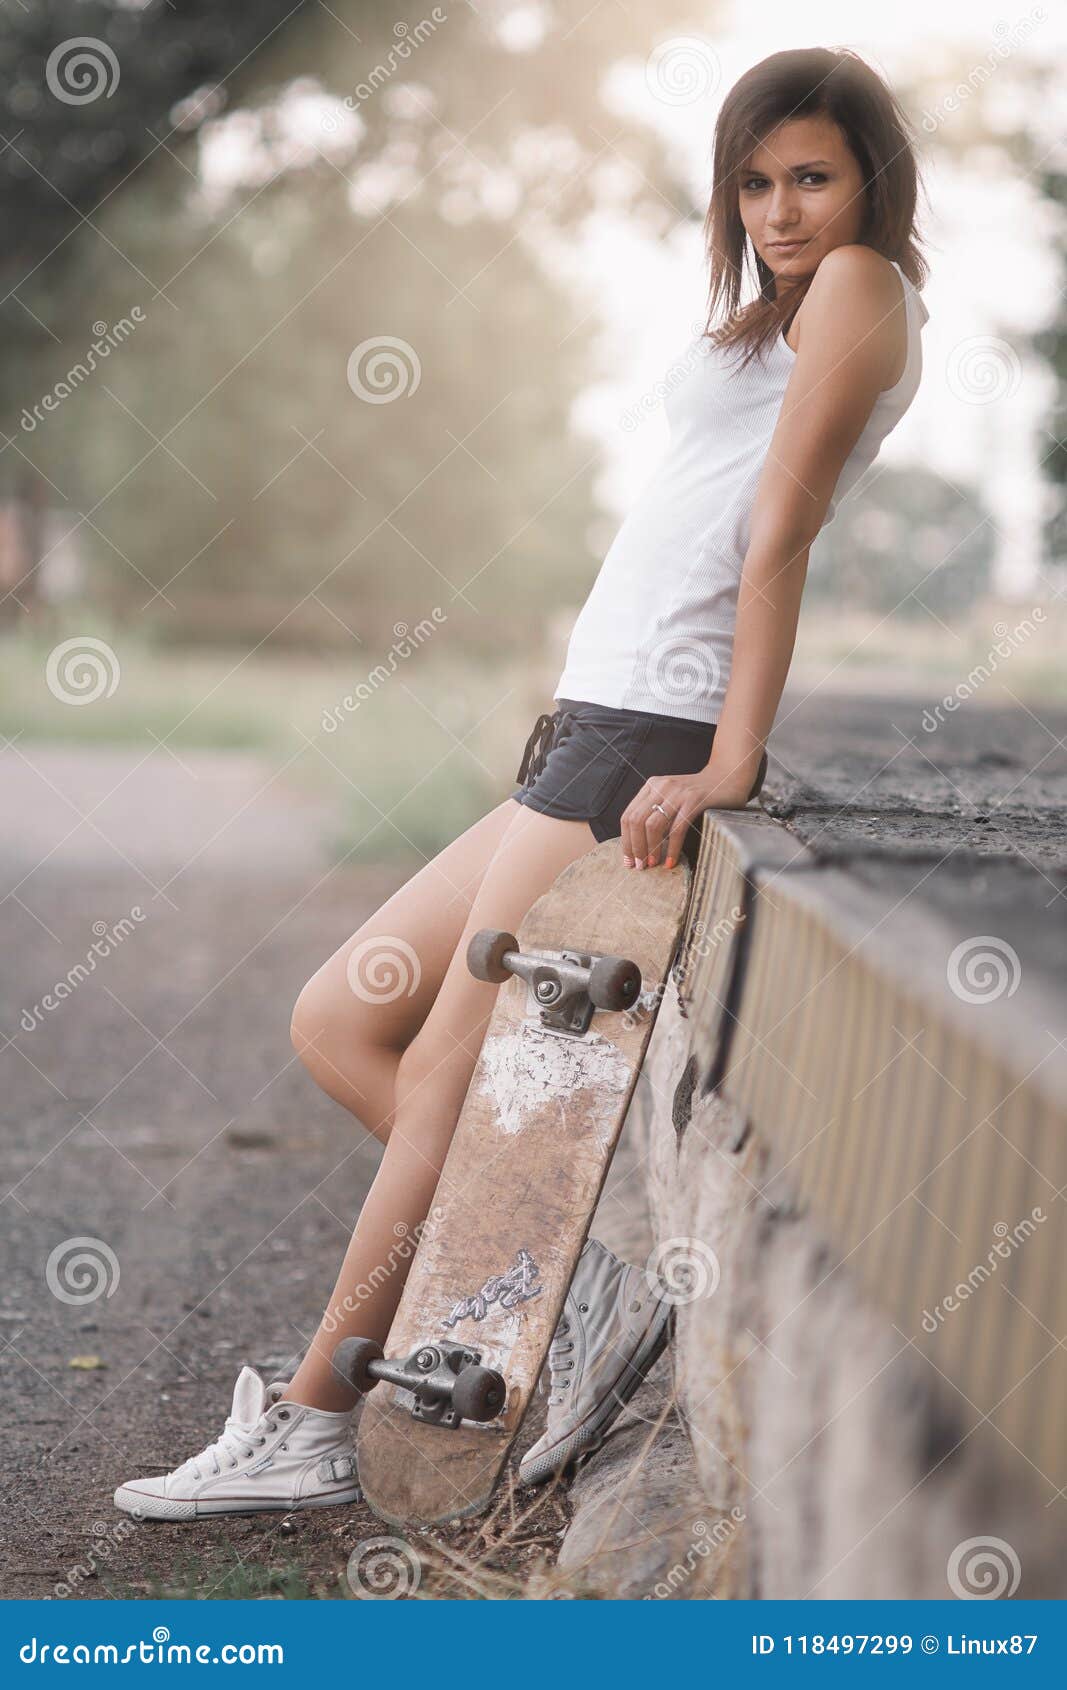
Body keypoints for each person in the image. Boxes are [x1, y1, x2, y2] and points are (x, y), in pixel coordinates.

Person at [115, 44, 929, 1520]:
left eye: (812, 174)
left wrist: (730, 756)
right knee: (340, 1016)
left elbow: (777, 536)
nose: (783, 209)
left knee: (441, 1063)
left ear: (871, 172)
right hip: (597, 714)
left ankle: (317, 1411)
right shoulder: (777, 309)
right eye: (755, 183)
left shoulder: (867, 285)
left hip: (655, 725)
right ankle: (576, 1265)